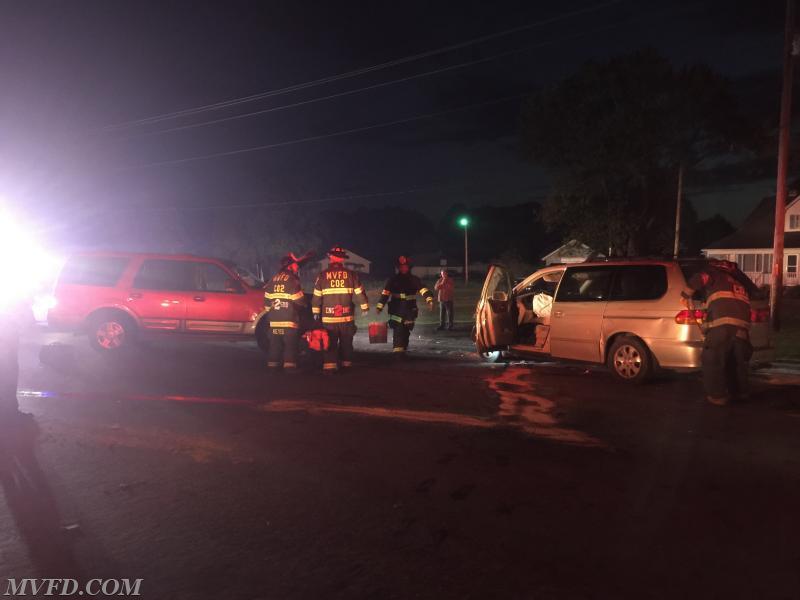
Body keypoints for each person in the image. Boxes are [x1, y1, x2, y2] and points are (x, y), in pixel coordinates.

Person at [681, 260, 754, 406]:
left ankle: (718, 396)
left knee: (713, 360)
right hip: (742, 329)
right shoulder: (737, 283)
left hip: (721, 326)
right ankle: (740, 393)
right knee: (737, 362)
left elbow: (700, 278)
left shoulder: (713, 274)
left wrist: (685, 295)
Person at [311, 247, 368, 373]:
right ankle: (346, 366)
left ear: (330, 258)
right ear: (342, 259)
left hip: (329, 318)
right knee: (346, 342)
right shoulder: (351, 275)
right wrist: (365, 307)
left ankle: (329, 367)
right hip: (346, 317)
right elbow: (360, 294)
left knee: (330, 341)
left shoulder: (322, 275)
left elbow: (316, 297)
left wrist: (315, 312)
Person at [376, 256, 434, 354]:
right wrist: (380, 306)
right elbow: (385, 294)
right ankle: (398, 352)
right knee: (398, 329)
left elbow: (423, 290)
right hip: (396, 308)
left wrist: (429, 300)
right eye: (401, 267)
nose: (403, 268)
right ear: (398, 268)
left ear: (409, 267)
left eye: (405, 266)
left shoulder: (414, 279)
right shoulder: (393, 280)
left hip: (409, 309)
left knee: (406, 330)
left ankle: (402, 349)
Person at [263, 253, 306, 373]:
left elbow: (266, 300)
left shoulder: (273, 279)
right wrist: (303, 306)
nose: (297, 267)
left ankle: (272, 366)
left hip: (274, 319)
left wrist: (270, 313)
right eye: (295, 265)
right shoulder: (292, 279)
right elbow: (299, 300)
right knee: (290, 344)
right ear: (290, 266)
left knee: (274, 344)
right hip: (289, 319)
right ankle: (289, 367)